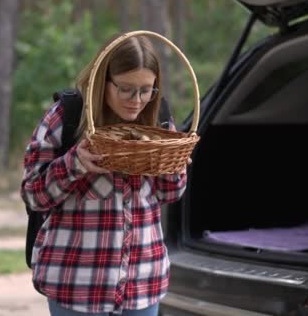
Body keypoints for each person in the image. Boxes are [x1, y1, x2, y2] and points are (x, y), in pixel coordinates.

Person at [20, 34, 188, 316]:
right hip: (76, 286)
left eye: (147, 90)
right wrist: (73, 163)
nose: (137, 101)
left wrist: (175, 167)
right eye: (126, 89)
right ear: (103, 81)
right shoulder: (66, 115)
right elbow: (32, 194)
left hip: (142, 286)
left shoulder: (158, 119)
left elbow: (170, 193)